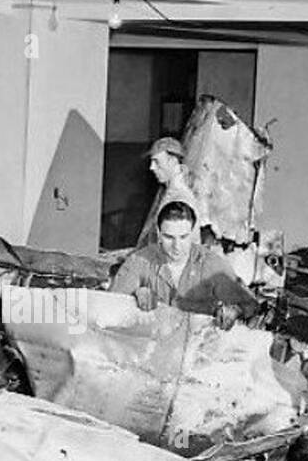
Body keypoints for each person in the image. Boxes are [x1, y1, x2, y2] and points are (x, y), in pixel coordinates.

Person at [109, 200, 256, 328]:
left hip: (197, 349)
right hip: (149, 346)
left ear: (192, 233)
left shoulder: (212, 265)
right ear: (159, 234)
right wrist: (134, 297)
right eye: (169, 237)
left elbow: (251, 305)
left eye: (183, 237)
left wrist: (235, 310)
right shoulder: (140, 260)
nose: (176, 246)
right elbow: (108, 305)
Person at [137, 136, 207, 245]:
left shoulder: (180, 198)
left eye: (156, 161)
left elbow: (177, 246)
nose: (152, 167)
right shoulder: (167, 192)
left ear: (172, 161)